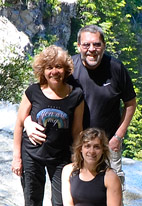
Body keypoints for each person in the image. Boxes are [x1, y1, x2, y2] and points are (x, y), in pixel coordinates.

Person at [25, 24, 136, 185]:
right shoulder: (69, 70)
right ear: (79, 46)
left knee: (114, 189)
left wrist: (118, 136)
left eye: (97, 44)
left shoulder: (116, 68)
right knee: (77, 190)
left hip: (108, 143)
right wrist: (28, 122)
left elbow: (130, 103)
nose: (92, 49)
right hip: (74, 144)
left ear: (104, 45)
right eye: (86, 45)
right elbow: (41, 96)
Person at [12, 45, 84, 206]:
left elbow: (78, 131)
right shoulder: (33, 92)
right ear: (42, 70)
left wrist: (77, 160)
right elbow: (18, 124)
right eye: (50, 67)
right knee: (32, 195)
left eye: (59, 67)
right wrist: (17, 158)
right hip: (31, 154)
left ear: (66, 70)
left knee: (61, 200)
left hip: (61, 156)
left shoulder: (75, 95)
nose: (55, 72)